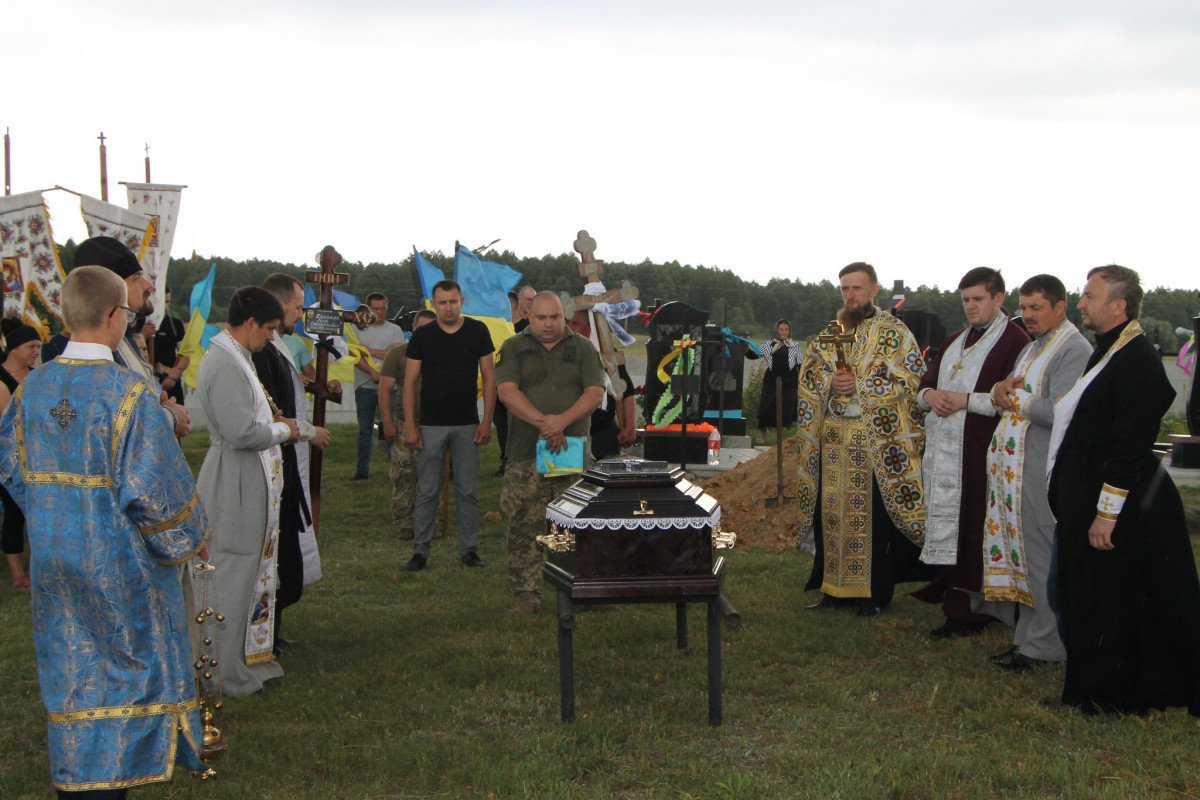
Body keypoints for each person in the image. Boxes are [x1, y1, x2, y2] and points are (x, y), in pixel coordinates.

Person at [0, 265, 208, 796]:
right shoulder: (129, 395)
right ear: (115, 317)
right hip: (120, 564)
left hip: (52, 559)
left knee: (72, 667)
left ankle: (78, 776)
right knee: (128, 671)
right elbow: (157, 495)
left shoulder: (30, 389)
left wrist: (53, 516)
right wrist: (186, 538)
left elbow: (11, 468)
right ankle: (115, 777)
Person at [1047, 264, 1200, 715]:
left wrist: (1106, 513)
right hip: (1091, 495)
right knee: (1088, 595)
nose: (1080, 303)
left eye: (1090, 296)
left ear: (1119, 305)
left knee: (1109, 600)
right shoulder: (1110, 350)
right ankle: (1087, 689)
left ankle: (1107, 695)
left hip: (1119, 505)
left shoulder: (1136, 360)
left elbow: (1130, 446)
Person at [797, 262, 929, 617]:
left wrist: (865, 385)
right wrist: (829, 383)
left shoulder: (894, 332)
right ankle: (832, 591)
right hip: (835, 441)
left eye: (857, 288)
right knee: (832, 517)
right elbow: (810, 372)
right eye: (845, 289)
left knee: (873, 521)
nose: (850, 295)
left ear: (874, 289)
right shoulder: (834, 331)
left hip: (876, 442)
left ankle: (874, 595)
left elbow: (913, 380)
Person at [975, 275, 1091, 671]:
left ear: (1060, 307)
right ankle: (1027, 639)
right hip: (1014, 471)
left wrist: (1016, 397)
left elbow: (1059, 410)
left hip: (1040, 470)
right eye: (1023, 308)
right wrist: (1000, 390)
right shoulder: (1033, 347)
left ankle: (1045, 646)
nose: (1027, 316)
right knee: (1023, 554)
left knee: (1041, 555)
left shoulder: (1074, 348)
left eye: (1036, 308)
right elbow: (1013, 393)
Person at [911, 268, 1030, 640]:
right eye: (966, 299)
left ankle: (972, 613)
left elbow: (1015, 398)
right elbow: (924, 386)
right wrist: (930, 397)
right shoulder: (954, 339)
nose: (971, 306)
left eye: (978, 299)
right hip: (944, 452)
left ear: (999, 299)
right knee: (952, 527)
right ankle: (952, 600)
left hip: (981, 451)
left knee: (975, 529)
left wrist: (964, 400)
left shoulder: (1016, 341)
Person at [196, 287, 300, 698]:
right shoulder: (224, 363)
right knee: (230, 572)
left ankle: (242, 660)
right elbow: (240, 432)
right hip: (233, 478)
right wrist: (285, 429)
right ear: (250, 323)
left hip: (244, 474)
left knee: (248, 571)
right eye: (270, 328)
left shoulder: (238, 357)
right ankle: (219, 671)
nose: (272, 337)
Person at [496, 292, 605, 613]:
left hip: (569, 449)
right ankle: (526, 594)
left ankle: (582, 589)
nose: (547, 324)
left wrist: (561, 422)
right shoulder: (513, 347)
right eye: (541, 318)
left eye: (554, 317)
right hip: (526, 451)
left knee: (577, 522)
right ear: (529, 316)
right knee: (525, 523)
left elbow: (595, 393)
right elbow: (506, 391)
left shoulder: (583, 348)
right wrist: (544, 423)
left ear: (563, 315)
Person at [255, 274, 333, 653]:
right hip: (271, 460)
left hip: (287, 458)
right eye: (298, 307)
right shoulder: (260, 350)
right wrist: (307, 430)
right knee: (274, 551)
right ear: (279, 304)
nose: (302, 314)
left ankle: (271, 631)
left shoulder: (280, 344)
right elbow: (272, 411)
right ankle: (261, 635)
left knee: (285, 550)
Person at [402, 279, 495, 571]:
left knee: (467, 490)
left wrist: (487, 420)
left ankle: (469, 550)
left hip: (468, 422)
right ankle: (420, 552)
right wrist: (410, 425)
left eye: (453, 301)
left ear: (462, 302)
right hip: (430, 424)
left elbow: (490, 378)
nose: (448, 307)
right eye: (442, 302)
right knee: (428, 490)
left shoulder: (478, 331)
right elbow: (410, 382)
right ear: (433, 305)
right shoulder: (422, 336)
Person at [71, 236, 190, 439]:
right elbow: (105, 423)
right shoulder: (94, 350)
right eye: (136, 278)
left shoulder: (123, 340)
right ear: (112, 289)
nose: (147, 286)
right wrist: (169, 418)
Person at [380, 309, 435, 537]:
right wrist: (388, 423)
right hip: (405, 423)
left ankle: (427, 522)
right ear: (414, 328)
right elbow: (384, 390)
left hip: (434, 425)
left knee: (431, 477)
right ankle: (404, 522)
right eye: (423, 328)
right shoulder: (398, 355)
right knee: (404, 474)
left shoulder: (444, 355)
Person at [565, 307, 636, 459]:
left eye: (575, 323)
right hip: (566, 429)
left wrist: (630, 427)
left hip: (601, 430)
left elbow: (627, 392)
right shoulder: (557, 352)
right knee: (565, 480)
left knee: (602, 479)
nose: (570, 327)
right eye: (567, 322)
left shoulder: (608, 353)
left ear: (590, 327)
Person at [0, 324, 40, 589]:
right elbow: (7, 424)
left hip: (37, 454)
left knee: (38, 512)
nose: (36, 352)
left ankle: (40, 566)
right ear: (14, 348)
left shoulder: (37, 376)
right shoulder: (2, 380)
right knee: (14, 512)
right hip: (7, 457)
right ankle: (17, 574)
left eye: (39, 347)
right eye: (31, 347)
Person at [351, 291, 407, 480]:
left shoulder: (394, 329)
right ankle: (361, 471)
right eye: (376, 308)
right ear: (368, 309)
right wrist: (372, 371)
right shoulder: (357, 329)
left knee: (391, 429)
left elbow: (394, 355)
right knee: (364, 431)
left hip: (391, 387)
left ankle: (395, 470)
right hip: (364, 385)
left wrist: (368, 351)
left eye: (383, 308)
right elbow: (355, 356)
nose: (380, 312)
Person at [756, 319, 801, 430]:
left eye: (786, 329)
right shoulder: (768, 345)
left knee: (788, 407)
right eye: (781, 329)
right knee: (766, 407)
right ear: (777, 330)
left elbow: (800, 364)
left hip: (789, 380)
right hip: (772, 379)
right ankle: (765, 429)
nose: (784, 332)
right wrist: (745, 348)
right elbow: (754, 355)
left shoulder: (795, 345)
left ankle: (787, 431)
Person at [152, 286, 189, 406]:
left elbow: (184, 354)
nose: (165, 306)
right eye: (162, 302)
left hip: (173, 382)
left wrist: (174, 374)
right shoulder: (148, 325)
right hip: (154, 380)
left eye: (167, 302)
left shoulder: (176, 324)